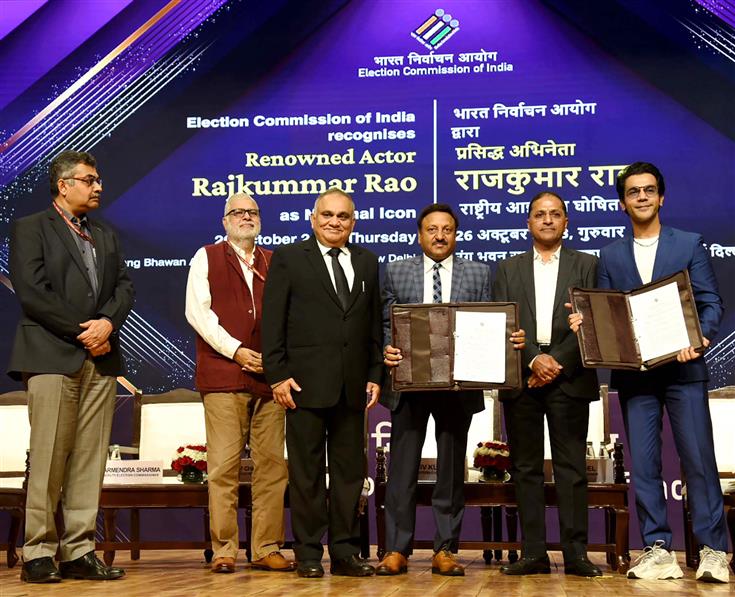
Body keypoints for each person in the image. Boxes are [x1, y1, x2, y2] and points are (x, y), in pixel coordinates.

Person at [569, 162, 729, 583]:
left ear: (661, 197)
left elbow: (711, 303)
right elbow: (608, 315)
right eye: (634, 191)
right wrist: (586, 324)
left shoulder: (689, 244)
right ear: (623, 202)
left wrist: (699, 339)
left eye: (649, 190)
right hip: (635, 376)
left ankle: (713, 550)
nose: (642, 196)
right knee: (644, 465)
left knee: (698, 461)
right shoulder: (611, 255)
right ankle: (658, 549)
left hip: (684, 369)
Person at [376, 203, 524, 577]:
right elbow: (383, 323)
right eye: (432, 229)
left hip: (459, 384)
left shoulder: (478, 272)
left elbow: (488, 323)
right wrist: (386, 349)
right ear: (419, 234)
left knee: (451, 471)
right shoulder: (395, 271)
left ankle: (446, 549)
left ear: (455, 235)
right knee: (403, 470)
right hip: (409, 385)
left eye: (447, 230)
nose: (439, 235)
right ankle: (397, 549)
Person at [8, 150, 134, 583]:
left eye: (98, 180)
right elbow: (33, 292)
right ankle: (38, 551)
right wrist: (85, 330)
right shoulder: (30, 229)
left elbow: (123, 287)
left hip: (100, 361)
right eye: (90, 179)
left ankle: (79, 550)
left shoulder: (105, 234)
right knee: (48, 458)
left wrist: (107, 324)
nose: (98, 186)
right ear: (64, 185)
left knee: (89, 458)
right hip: (51, 354)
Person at [261, 188, 382, 578]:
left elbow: (372, 324)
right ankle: (309, 552)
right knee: (307, 473)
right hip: (303, 385)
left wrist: (374, 373)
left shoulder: (366, 261)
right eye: (327, 215)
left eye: (342, 216)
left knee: (349, 474)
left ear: (353, 221)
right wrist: (277, 374)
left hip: (351, 387)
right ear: (313, 219)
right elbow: (272, 321)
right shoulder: (290, 258)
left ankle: (346, 552)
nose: (334, 222)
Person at [492, 191, 601, 577]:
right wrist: (534, 361)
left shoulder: (588, 265)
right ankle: (534, 553)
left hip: (570, 377)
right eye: (540, 214)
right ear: (529, 223)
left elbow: (593, 320)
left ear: (566, 222)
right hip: (523, 379)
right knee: (525, 469)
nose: (548, 220)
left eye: (556, 214)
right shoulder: (506, 269)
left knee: (571, 469)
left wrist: (558, 361)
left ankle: (575, 554)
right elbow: (500, 325)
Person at [185, 193, 294, 574]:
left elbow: (287, 314)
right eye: (238, 212)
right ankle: (225, 549)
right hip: (224, 375)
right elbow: (198, 313)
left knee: (271, 467)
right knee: (224, 467)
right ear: (225, 220)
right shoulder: (207, 256)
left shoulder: (274, 260)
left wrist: (277, 360)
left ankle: (265, 547)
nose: (246, 217)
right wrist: (236, 351)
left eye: (252, 212)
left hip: (269, 380)